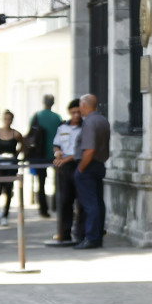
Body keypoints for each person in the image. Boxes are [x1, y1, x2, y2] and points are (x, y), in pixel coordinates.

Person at [73, 94, 110, 249]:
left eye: (81, 105)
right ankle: (97, 235)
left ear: (85, 105)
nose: (80, 108)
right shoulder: (103, 120)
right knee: (98, 202)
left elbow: (89, 150)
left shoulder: (89, 122)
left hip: (88, 166)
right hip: (99, 164)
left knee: (90, 204)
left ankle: (92, 237)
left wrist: (81, 168)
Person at [48, 99, 85, 246]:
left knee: (81, 201)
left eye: (78, 112)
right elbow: (56, 144)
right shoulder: (63, 126)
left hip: (77, 164)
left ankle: (80, 233)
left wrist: (65, 159)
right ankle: (64, 232)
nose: (76, 115)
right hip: (64, 166)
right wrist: (57, 153)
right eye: (73, 112)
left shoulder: (85, 128)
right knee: (64, 200)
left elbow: (81, 151)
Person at [0, 110, 22, 227]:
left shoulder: (15, 134)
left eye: (10, 119)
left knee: (8, 189)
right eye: (6, 118)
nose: (8, 121)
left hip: (11, 165)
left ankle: (5, 216)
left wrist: (16, 154)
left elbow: (23, 143)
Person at [29, 94, 62, 218]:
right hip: (54, 154)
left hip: (40, 154)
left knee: (41, 183)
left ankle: (44, 209)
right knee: (58, 182)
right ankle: (56, 206)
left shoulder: (37, 116)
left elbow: (31, 134)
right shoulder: (57, 118)